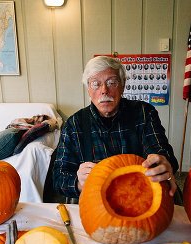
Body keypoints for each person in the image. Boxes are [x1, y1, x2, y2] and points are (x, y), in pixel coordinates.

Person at [51, 56, 178, 199]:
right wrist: (79, 183)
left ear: (123, 85)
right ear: (88, 89)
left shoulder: (144, 113)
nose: (104, 90)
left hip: (139, 194)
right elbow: (58, 178)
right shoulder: (74, 125)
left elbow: (161, 150)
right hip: (97, 200)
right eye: (96, 84)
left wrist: (162, 162)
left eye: (112, 82)